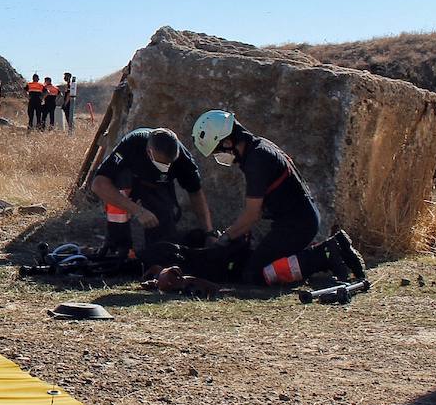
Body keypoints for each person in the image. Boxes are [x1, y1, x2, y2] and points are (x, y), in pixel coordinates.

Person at [191, 110, 367, 286]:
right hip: (299, 220)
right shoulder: (259, 148)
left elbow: (253, 213)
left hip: (297, 225)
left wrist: (225, 238)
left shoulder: (256, 161)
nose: (217, 157)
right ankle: (336, 247)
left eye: (217, 151)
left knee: (255, 275)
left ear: (228, 142)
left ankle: (324, 255)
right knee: (258, 263)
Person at [91, 127, 214, 258]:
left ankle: (147, 250)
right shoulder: (132, 144)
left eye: (170, 163)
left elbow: (195, 192)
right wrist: (138, 211)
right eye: (162, 163)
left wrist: (209, 233)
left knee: (163, 247)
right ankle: (119, 245)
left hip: (158, 188)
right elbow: (98, 184)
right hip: (131, 184)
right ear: (149, 152)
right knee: (121, 178)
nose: (166, 168)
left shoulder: (184, 159)